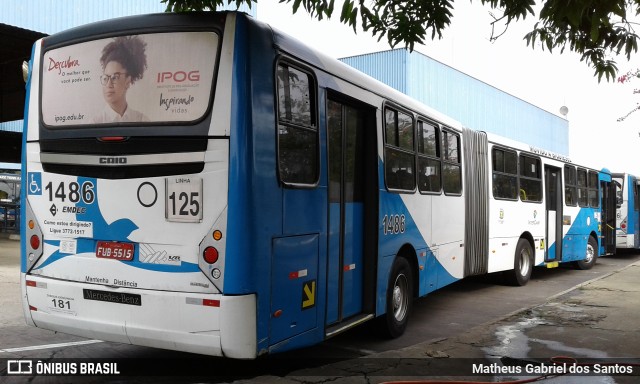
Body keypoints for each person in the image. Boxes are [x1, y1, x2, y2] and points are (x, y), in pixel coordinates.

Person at [93, 36, 149, 123]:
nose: (108, 84)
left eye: (114, 77)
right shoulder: (94, 123)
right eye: (105, 78)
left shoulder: (142, 120)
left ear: (128, 81)